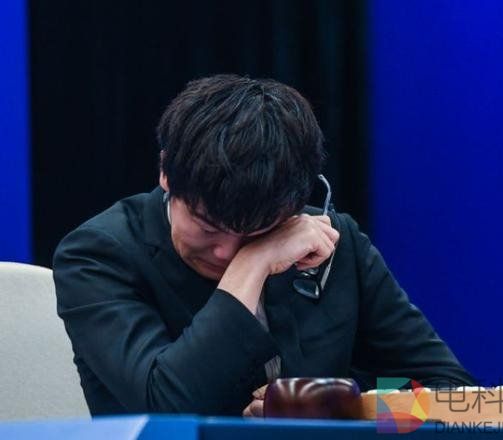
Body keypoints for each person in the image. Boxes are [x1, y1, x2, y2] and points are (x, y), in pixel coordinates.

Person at [53, 74, 474, 417]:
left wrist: (347, 408)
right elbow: (165, 406)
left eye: (256, 233)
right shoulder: (98, 255)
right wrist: (253, 262)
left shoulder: (336, 243)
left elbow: (452, 393)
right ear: (166, 172)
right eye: (207, 227)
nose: (225, 251)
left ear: (294, 205)